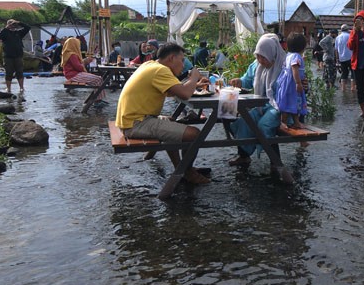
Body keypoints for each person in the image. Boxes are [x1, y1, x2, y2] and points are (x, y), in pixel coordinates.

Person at [115, 43, 211, 185]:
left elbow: (173, 90)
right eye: (182, 60)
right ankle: (187, 171)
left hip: (131, 119)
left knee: (172, 122)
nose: (183, 64)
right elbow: (184, 93)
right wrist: (194, 77)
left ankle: (181, 167)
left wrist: (194, 84)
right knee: (194, 134)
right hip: (136, 123)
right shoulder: (160, 70)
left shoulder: (150, 65)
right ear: (172, 58)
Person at [227, 34, 293, 182]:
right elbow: (248, 80)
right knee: (244, 121)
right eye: (258, 57)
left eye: (263, 57)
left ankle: (275, 161)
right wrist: (239, 81)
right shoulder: (256, 65)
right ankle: (244, 156)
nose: (260, 61)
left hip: (280, 107)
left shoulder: (284, 66)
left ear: (271, 54)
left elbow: (291, 91)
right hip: (261, 105)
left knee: (264, 125)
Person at [276, 33, 309, 132]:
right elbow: (294, 68)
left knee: (288, 103)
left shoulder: (289, 55)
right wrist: (298, 83)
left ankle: (290, 122)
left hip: (286, 84)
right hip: (292, 85)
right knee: (294, 103)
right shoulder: (296, 57)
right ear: (302, 47)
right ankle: (289, 122)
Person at [61, 37, 106, 104]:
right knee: (98, 79)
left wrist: (84, 62)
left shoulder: (68, 53)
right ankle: (97, 101)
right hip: (74, 75)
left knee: (98, 79)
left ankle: (97, 99)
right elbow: (78, 67)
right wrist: (85, 62)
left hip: (72, 74)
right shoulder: (71, 55)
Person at [0, 19, 31, 93]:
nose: (13, 26)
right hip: (8, 56)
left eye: (14, 24)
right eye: (11, 24)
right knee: (8, 72)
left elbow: (28, 27)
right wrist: (7, 27)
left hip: (18, 56)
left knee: (20, 72)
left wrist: (19, 22)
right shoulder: (5, 32)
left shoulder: (19, 33)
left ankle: (21, 87)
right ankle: (8, 88)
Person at [335, 24, 353, 91]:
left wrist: (337, 59)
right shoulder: (350, 36)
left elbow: (336, 50)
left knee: (344, 73)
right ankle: (352, 88)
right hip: (350, 57)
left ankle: (343, 88)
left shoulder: (337, 38)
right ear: (347, 29)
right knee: (352, 72)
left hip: (341, 58)